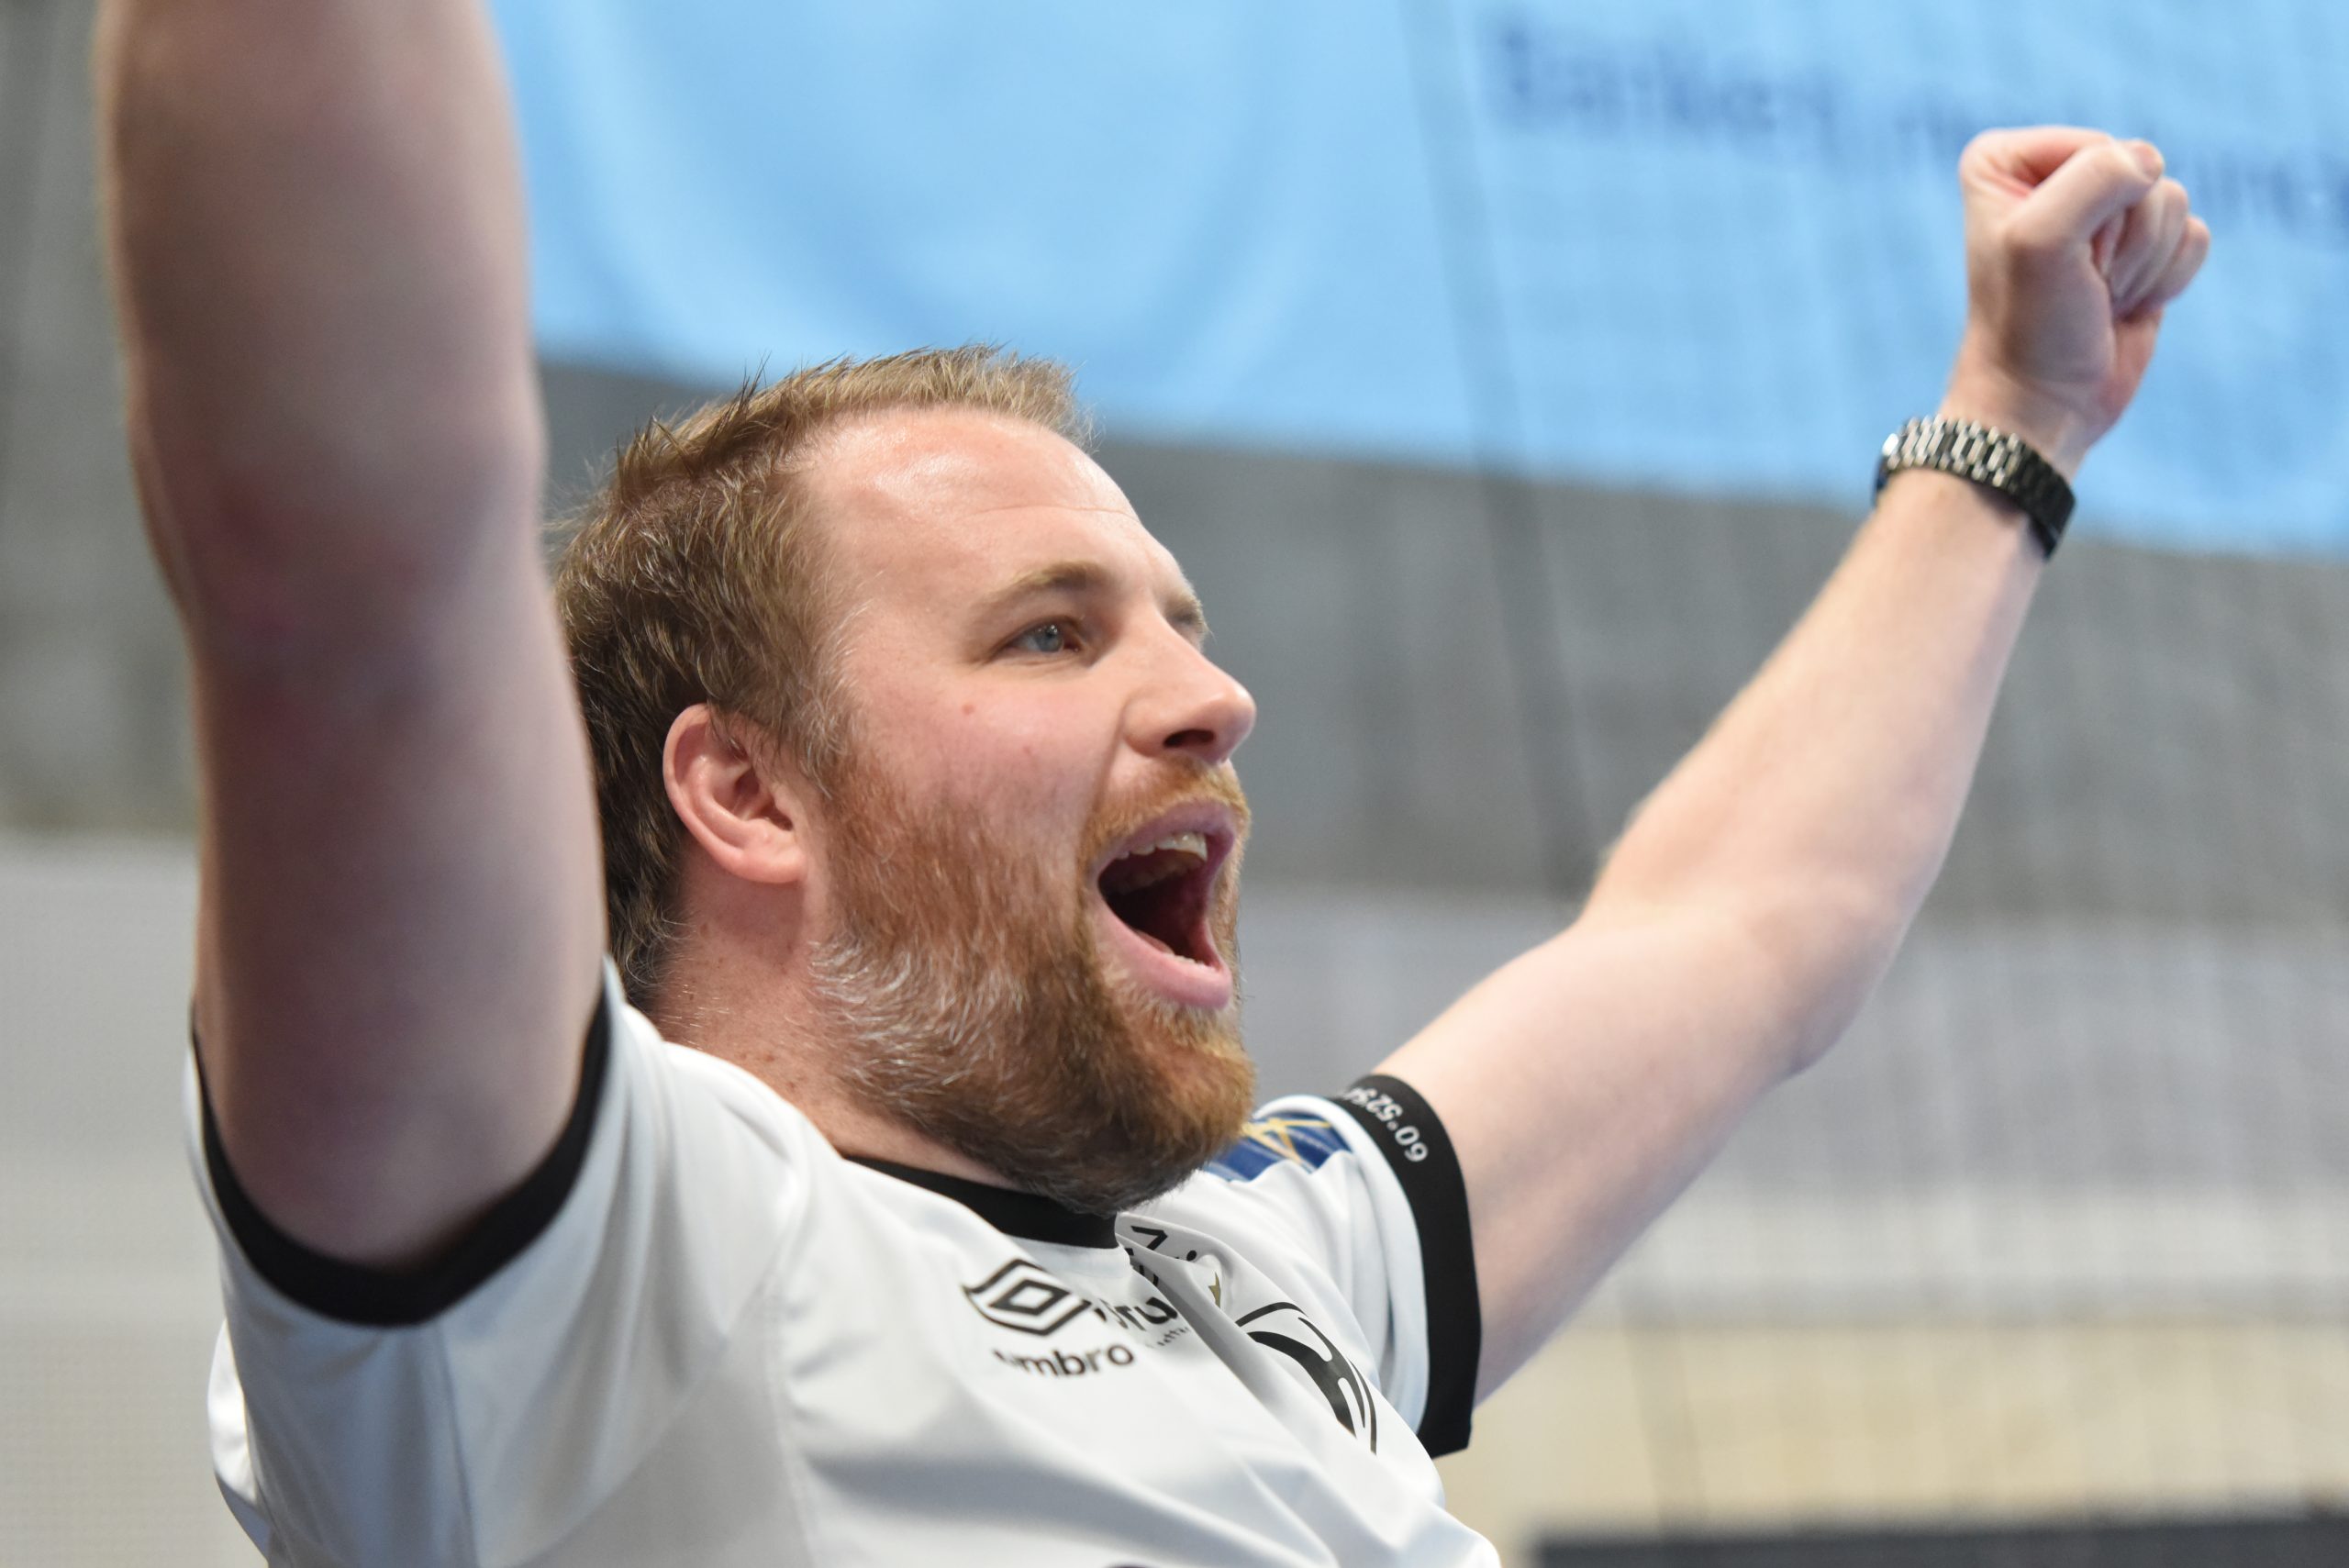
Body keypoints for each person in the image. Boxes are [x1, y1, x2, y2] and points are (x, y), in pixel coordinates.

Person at [97, 1, 2208, 1562]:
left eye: (1180, 623)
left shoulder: (1263, 1265)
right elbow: (346, 583)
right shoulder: (599, 1286)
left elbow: (1736, 933)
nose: (1213, 698)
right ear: (745, 794)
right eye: (1049, 633)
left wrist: (2008, 423)